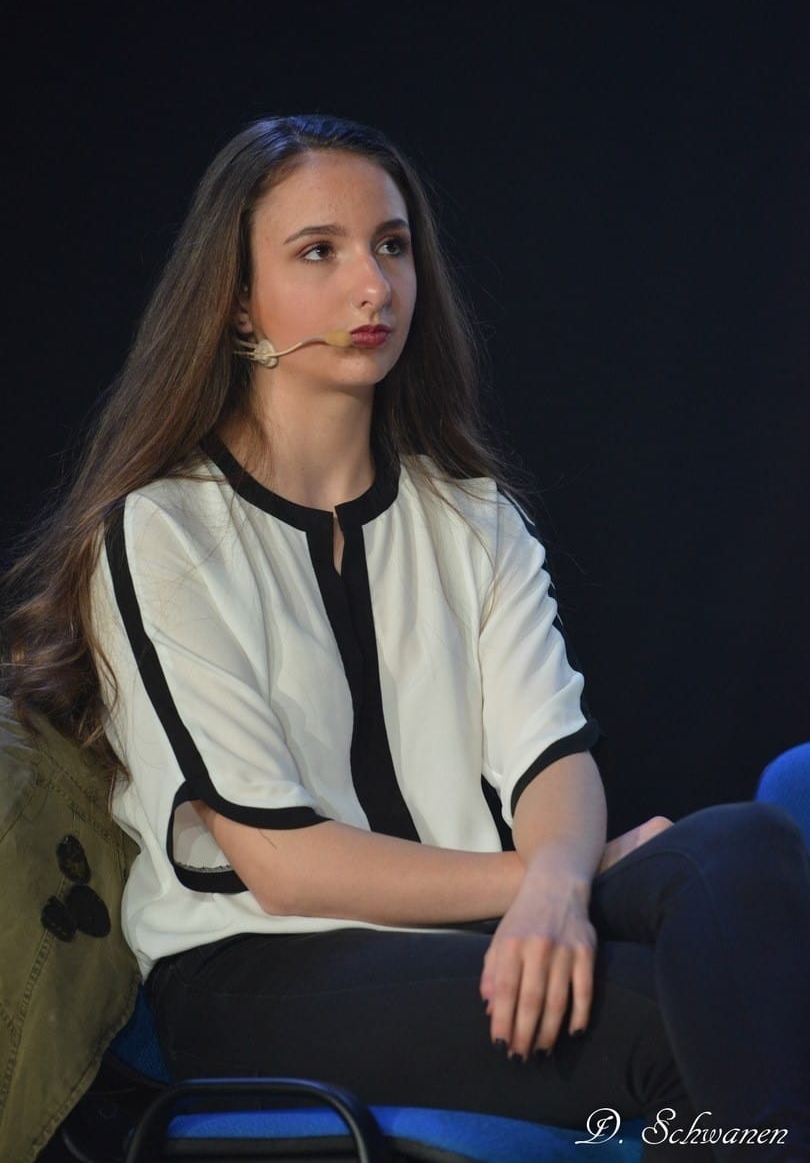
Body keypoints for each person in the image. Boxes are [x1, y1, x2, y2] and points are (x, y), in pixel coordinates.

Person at [3, 115, 810, 1162]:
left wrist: (559, 875)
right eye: (319, 252)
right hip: (257, 970)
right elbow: (282, 863)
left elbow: (551, 759)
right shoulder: (163, 534)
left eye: (392, 245)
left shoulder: (472, 517)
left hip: (475, 923)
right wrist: (549, 879)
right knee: (675, 1016)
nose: (373, 286)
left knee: (745, 849)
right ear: (238, 299)